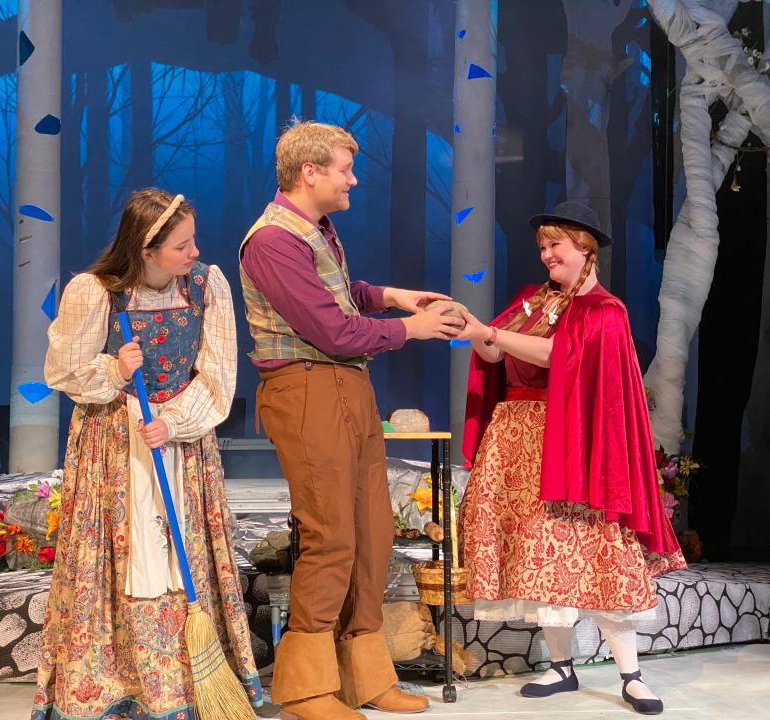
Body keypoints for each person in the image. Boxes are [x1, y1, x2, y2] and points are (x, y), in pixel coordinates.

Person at [239, 121, 460, 720]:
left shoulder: (317, 231)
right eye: (344, 167)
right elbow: (328, 329)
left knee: (371, 532)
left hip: (347, 386)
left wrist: (391, 296)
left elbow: (340, 296)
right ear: (310, 172)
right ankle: (306, 688)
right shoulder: (271, 241)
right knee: (331, 534)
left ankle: (363, 674)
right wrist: (411, 330)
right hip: (306, 391)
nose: (353, 178)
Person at [32, 188, 262, 720]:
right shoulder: (94, 292)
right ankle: (117, 683)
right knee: (121, 559)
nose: (193, 253)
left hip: (181, 443)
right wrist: (114, 370)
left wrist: (175, 421)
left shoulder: (207, 287)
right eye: (182, 246)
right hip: (113, 447)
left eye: (193, 241)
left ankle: (187, 683)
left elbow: (219, 375)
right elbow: (61, 372)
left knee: (180, 562)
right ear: (145, 250)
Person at [457, 201, 686, 716]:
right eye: (541, 246)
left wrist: (490, 333)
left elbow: (560, 357)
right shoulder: (531, 300)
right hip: (518, 439)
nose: (546, 255)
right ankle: (561, 668)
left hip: (576, 444)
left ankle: (630, 674)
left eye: (554, 245)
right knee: (540, 555)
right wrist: (477, 331)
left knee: (598, 549)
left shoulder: (605, 311)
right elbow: (495, 354)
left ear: (584, 247)